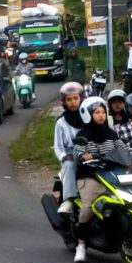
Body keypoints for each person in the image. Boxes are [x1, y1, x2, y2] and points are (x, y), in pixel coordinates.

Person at [72, 97, 130, 263]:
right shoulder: (83, 135)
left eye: (103, 112)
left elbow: (123, 148)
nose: (100, 115)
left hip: (112, 176)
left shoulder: (111, 134)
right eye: (96, 112)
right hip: (91, 176)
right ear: (88, 115)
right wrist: (84, 155)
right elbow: (77, 151)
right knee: (88, 207)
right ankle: (81, 245)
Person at [53, 83, 85, 214]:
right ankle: (69, 200)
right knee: (70, 166)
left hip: (88, 153)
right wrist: (64, 156)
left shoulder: (87, 117)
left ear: (81, 99)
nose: (72, 102)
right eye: (69, 99)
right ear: (64, 102)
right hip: (70, 155)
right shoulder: (61, 122)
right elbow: (58, 146)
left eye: (75, 98)